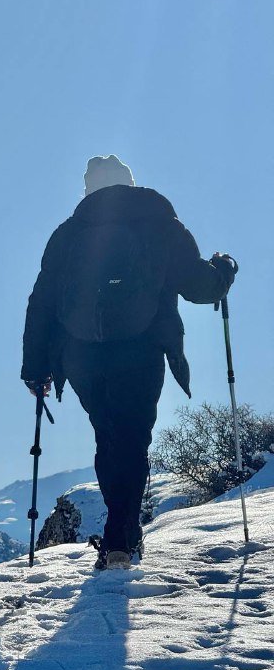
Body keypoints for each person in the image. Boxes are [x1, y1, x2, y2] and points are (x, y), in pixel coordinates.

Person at [21, 155, 237, 569]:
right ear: (130, 183)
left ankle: (119, 538)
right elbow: (198, 286)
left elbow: (42, 304)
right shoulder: (159, 222)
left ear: (89, 189)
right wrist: (224, 269)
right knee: (132, 438)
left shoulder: (67, 235)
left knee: (108, 435)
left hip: (82, 355)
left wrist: (35, 368)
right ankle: (122, 540)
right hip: (141, 348)